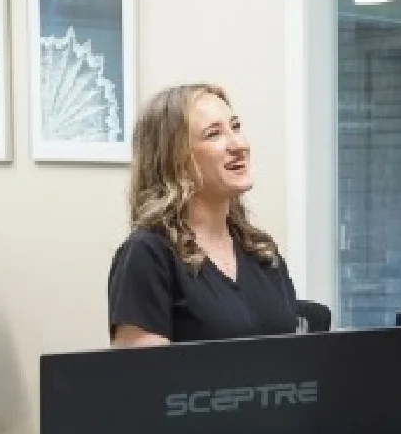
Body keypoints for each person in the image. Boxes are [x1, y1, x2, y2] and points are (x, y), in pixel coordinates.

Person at [106, 83, 303, 346]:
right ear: (174, 161)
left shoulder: (263, 252)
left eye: (235, 126)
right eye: (214, 134)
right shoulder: (147, 255)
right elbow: (143, 382)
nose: (238, 145)